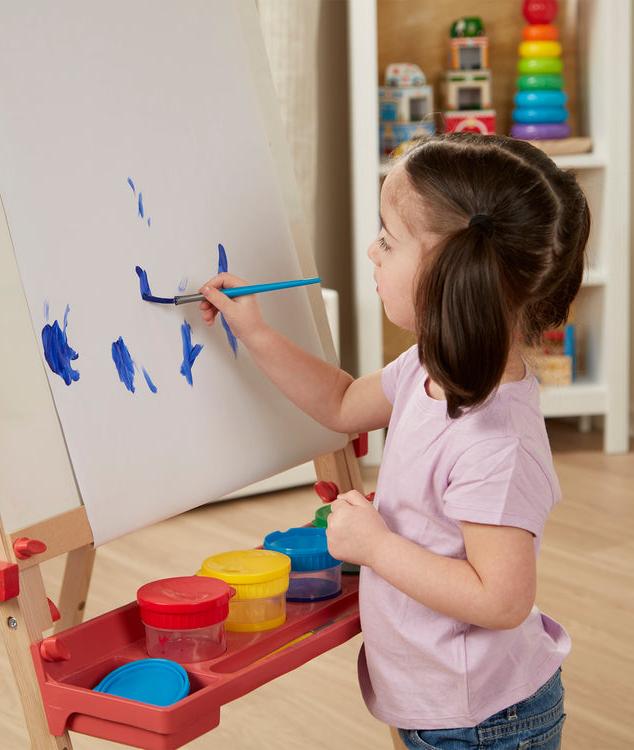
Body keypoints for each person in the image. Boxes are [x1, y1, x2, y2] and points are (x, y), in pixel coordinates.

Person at [198, 132, 589, 750]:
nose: (371, 251)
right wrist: (259, 335)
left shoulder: (496, 444)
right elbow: (342, 403)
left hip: (484, 723)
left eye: (388, 238)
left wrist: (377, 547)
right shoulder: (427, 367)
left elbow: (502, 600)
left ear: (451, 272)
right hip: (444, 707)